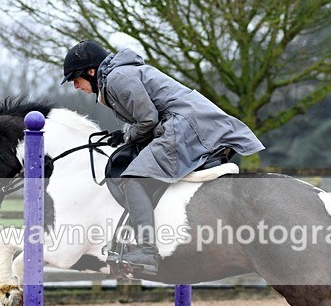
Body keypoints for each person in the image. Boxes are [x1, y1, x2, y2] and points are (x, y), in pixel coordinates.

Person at [62, 40, 264, 275]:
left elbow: (147, 119)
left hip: (184, 127)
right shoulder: (119, 75)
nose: (76, 86)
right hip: (187, 125)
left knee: (133, 177)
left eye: (76, 78)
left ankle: (147, 250)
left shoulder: (117, 77)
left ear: (91, 71)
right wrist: (125, 135)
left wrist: (127, 136)